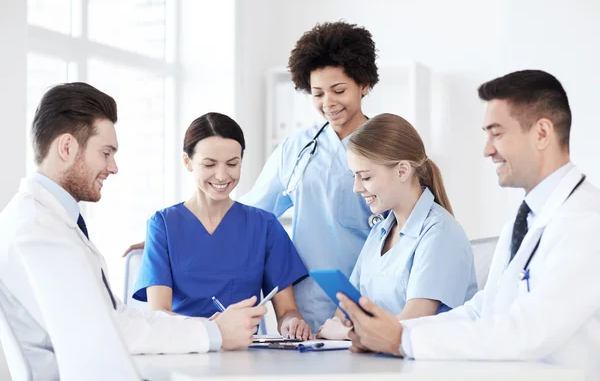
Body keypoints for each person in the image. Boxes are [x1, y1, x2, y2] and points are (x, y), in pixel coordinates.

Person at [337, 70, 600, 379]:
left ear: (542, 133)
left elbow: (529, 332)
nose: (486, 149)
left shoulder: (584, 222)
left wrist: (403, 339)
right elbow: (482, 309)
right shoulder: (526, 218)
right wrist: (392, 331)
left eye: (497, 133)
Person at [123, 20, 380, 332]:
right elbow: (252, 208)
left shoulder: (387, 146)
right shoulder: (296, 148)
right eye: (317, 93)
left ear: (364, 84)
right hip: (311, 297)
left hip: (370, 290)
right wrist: (167, 237)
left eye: (338, 90)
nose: (328, 103)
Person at [0, 83, 267, 381]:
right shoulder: (36, 230)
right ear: (66, 147)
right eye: (106, 153)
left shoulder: (48, 220)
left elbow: (117, 316)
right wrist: (214, 332)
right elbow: (106, 330)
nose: (113, 167)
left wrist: (205, 328)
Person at [132, 112, 312, 340]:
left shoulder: (264, 226)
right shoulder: (163, 225)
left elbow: (287, 311)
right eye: (209, 164)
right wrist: (214, 329)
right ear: (187, 162)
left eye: (232, 164)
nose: (221, 175)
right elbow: (160, 316)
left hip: (246, 356)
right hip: (185, 350)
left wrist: (292, 323)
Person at [316, 114, 477, 340]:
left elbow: (410, 325)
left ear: (402, 170)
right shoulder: (379, 232)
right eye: (354, 176)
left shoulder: (440, 233)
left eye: (365, 177)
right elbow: (346, 309)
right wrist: (339, 325)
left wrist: (345, 333)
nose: (356, 188)